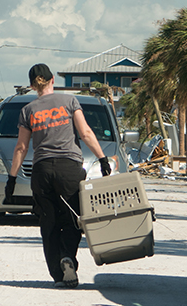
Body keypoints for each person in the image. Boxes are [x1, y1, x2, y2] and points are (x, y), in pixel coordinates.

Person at [8, 63, 111, 288]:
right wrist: (102, 158)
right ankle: (68, 257)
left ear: (33, 85)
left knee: (49, 222)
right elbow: (85, 132)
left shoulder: (28, 110)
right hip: (69, 169)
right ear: (52, 79)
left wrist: (12, 178)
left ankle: (58, 274)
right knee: (74, 218)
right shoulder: (69, 102)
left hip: (42, 171)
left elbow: (20, 148)